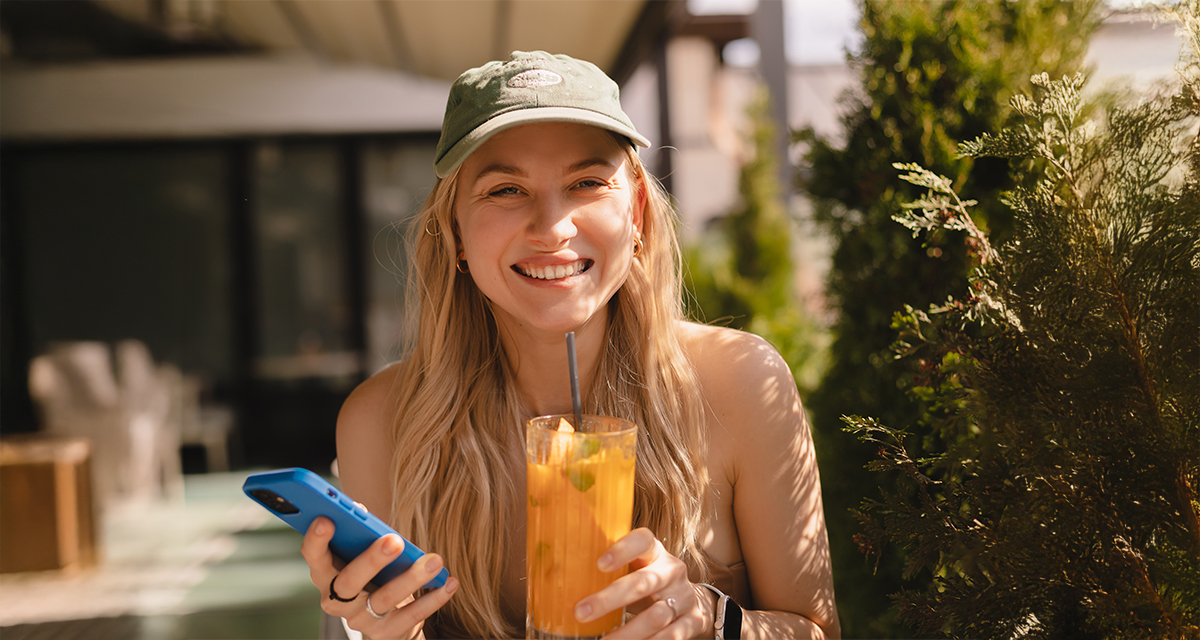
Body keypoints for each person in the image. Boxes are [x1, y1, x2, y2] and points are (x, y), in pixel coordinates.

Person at [300, 51, 840, 640]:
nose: (552, 227)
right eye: (506, 189)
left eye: (587, 183)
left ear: (636, 211)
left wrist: (713, 622)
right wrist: (387, 632)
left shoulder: (741, 381)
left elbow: (817, 630)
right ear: (455, 230)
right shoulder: (381, 422)